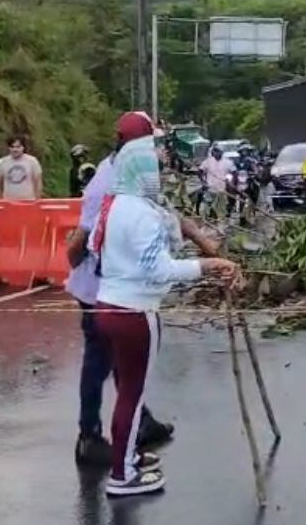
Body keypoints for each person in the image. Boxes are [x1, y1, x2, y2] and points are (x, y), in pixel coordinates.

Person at [90, 123, 238, 497]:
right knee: (132, 396)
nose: (159, 170)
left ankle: (128, 459)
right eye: (154, 164)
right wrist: (206, 266)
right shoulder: (142, 213)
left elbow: (94, 248)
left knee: (125, 390)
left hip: (106, 306)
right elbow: (158, 269)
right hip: (136, 313)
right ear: (141, 170)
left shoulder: (113, 204)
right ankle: (122, 477)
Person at [65, 112, 219, 469]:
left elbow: (165, 211)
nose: (161, 151)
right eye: (155, 143)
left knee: (126, 359)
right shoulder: (108, 180)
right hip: (103, 289)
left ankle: (140, 420)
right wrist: (79, 274)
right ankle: (89, 437)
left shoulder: (136, 171)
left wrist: (201, 240)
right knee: (100, 362)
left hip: (121, 287)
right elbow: (83, 236)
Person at [0, 135, 43, 200]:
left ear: (23, 147)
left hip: (29, 202)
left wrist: (37, 200)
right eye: (12, 147)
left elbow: (38, 182)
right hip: (8, 202)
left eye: (18, 147)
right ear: (9, 148)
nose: (15, 149)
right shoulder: (1, 162)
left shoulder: (32, 161)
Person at [199, 146, 231, 219]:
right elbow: (200, 171)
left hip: (221, 190)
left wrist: (228, 181)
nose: (215, 153)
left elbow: (233, 172)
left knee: (221, 209)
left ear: (221, 152)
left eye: (217, 151)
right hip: (210, 188)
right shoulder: (208, 161)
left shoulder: (227, 162)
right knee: (205, 207)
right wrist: (203, 181)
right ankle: (206, 219)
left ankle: (220, 221)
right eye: (214, 151)